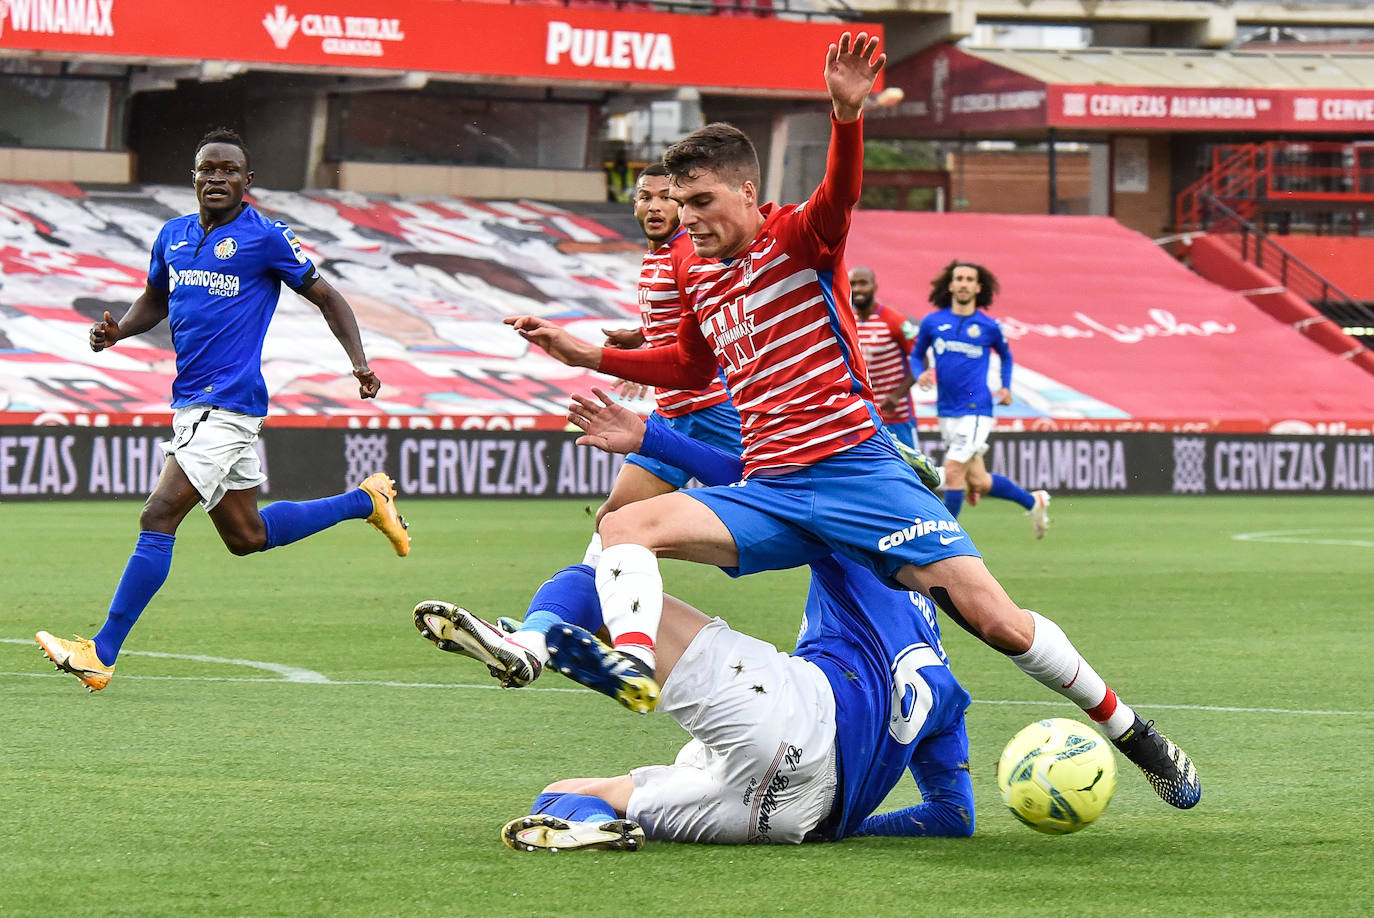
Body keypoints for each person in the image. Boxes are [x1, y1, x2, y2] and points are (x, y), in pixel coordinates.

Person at [506, 34, 1199, 810]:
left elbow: (841, 191)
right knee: (622, 532)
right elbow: (689, 370)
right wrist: (588, 353)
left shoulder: (799, 238)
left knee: (995, 622)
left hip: (859, 475)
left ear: (745, 192)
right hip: (772, 489)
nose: (687, 220)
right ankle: (632, 665)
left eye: (702, 203)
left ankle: (1134, 732)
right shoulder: (703, 281)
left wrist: (846, 114)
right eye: (680, 204)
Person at [413, 395, 975, 850]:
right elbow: (952, 817)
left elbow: (763, 487)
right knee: (562, 794)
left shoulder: (862, 540)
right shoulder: (947, 688)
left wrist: (652, 441)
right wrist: (844, 829)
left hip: (797, 716)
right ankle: (590, 828)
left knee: (594, 576)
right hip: (791, 818)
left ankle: (531, 644)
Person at [35, 128, 410, 692]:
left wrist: (359, 363)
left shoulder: (267, 238)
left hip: (228, 404)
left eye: (229, 170)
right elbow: (155, 299)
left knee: (158, 515)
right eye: (207, 168)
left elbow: (328, 295)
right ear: (194, 177)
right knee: (246, 535)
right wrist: (118, 334)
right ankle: (366, 500)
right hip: (192, 401)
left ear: (247, 182)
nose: (216, 177)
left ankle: (101, 651)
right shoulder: (173, 235)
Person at [587, 162, 742, 567]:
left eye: (665, 198)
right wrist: (643, 337)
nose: (654, 207)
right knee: (612, 518)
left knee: (795, 513)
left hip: (712, 412)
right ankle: (573, 615)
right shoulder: (659, 255)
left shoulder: (688, 256)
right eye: (644, 197)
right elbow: (684, 318)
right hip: (672, 413)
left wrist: (643, 362)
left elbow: (712, 321)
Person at [910, 260, 1050, 536]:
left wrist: (1006, 387)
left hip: (976, 408)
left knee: (952, 471)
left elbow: (1007, 356)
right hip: (947, 409)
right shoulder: (933, 322)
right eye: (958, 278)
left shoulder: (988, 326)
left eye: (969, 279)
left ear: (977, 287)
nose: (963, 283)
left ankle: (944, 535)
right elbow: (916, 354)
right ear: (950, 285)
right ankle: (1034, 501)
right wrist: (919, 373)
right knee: (979, 482)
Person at [850, 266, 917, 448]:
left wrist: (896, 396)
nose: (857, 289)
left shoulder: (895, 320)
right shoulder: (847, 320)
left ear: (874, 287)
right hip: (864, 417)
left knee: (913, 471)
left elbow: (921, 360)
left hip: (897, 416)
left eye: (863, 283)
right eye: (852, 284)